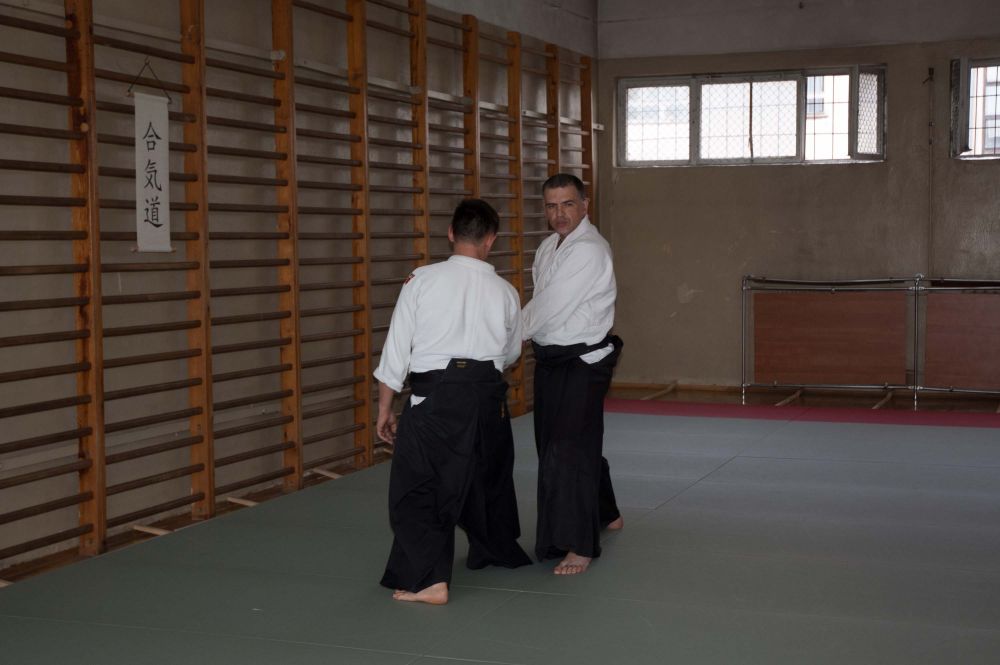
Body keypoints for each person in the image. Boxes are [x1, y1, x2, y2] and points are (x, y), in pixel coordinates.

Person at [374, 198, 532, 605]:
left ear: (450, 233)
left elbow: (397, 350)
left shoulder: (421, 280)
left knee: (418, 485)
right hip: (487, 397)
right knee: (485, 475)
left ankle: (430, 580)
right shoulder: (506, 291)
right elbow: (511, 353)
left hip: (436, 398)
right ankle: (495, 548)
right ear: (491, 239)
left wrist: (385, 408)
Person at [522, 173, 624, 576]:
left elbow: (549, 307)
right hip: (551, 359)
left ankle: (579, 543)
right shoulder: (549, 247)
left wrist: (504, 339)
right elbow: (543, 303)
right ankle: (607, 511)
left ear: (585, 205)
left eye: (567, 204)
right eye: (551, 206)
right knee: (557, 443)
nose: (559, 213)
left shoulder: (589, 251)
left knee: (569, 450)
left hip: (582, 362)